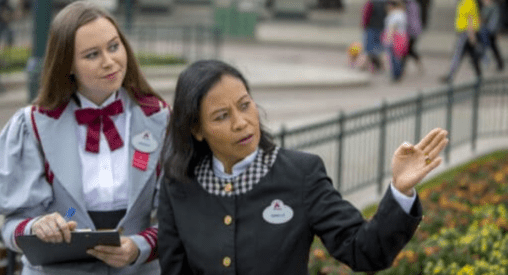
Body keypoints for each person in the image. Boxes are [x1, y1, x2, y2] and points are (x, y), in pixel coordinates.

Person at [158, 60, 449, 274]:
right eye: (221, 116)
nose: (241, 122)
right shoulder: (179, 185)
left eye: (245, 105)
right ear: (196, 129)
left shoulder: (300, 174)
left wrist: (400, 191)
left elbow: (365, 251)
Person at [0, 1, 168, 274]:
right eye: (92, 55)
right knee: (68, 216)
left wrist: (138, 247)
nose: (109, 61)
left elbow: (179, 216)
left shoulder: (160, 118)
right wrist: (38, 227)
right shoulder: (33, 125)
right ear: (67, 64)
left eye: (114, 47)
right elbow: (12, 228)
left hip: (139, 270)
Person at [440, 0, 482, 83]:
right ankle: (479, 75)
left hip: (466, 33)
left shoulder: (469, 2)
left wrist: (471, 35)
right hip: (465, 32)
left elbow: (470, 18)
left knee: (457, 54)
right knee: (472, 55)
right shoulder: (463, 2)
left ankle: (450, 76)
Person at [383, 0, 409, 82]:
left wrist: (388, 39)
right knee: (398, 56)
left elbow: (392, 27)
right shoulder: (402, 14)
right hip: (402, 37)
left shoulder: (394, 15)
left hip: (395, 38)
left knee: (393, 57)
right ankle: (398, 74)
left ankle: (396, 75)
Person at [361, 0, 388, 73]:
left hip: (371, 28)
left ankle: (366, 66)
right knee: (379, 48)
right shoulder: (385, 3)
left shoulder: (370, 3)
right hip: (381, 28)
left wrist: (364, 25)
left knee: (369, 48)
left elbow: (366, 15)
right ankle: (381, 67)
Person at [479, 0, 504, 71]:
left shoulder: (492, 7)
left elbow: (484, 18)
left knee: (487, 46)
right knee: (493, 47)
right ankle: (500, 63)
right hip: (490, 30)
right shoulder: (492, 7)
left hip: (489, 30)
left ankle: (485, 60)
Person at [403, 0, 424, 74]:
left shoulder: (408, 5)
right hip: (415, 30)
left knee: (406, 50)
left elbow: (409, 19)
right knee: (409, 50)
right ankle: (418, 65)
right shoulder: (414, 4)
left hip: (411, 31)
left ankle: (402, 69)